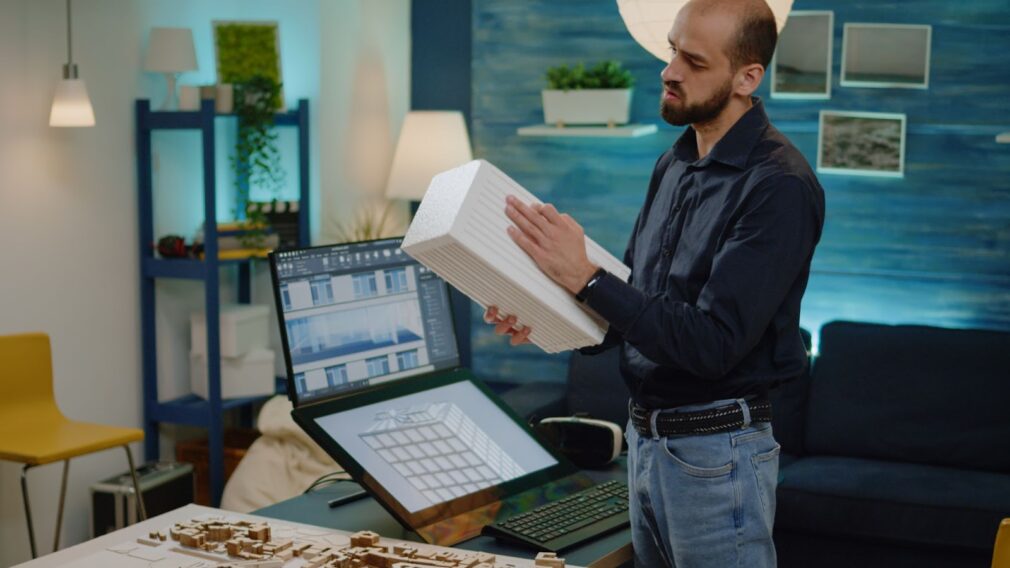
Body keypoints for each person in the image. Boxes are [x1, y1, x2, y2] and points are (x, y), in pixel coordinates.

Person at [484, 0, 825, 565]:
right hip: (645, 443)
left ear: (747, 77)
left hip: (717, 455)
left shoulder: (779, 185)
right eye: (672, 50)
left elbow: (711, 344)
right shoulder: (676, 161)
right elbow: (636, 310)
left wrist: (587, 277)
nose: (669, 70)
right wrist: (547, 313)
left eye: (693, 60)